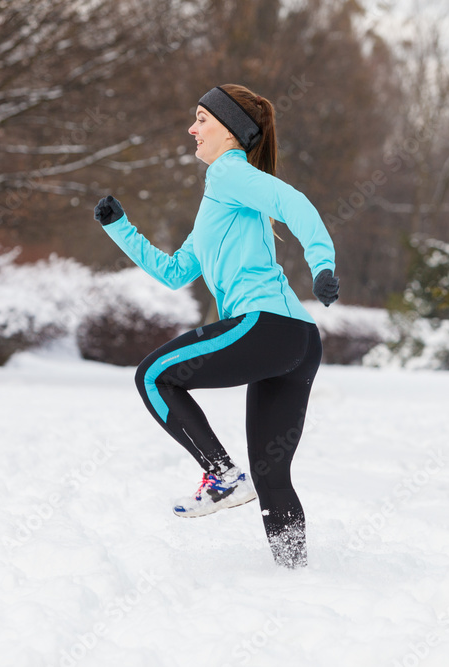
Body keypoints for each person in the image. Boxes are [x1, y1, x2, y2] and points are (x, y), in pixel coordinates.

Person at [93, 84, 339, 568]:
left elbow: (295, 203)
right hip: (297, 340)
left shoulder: (229, 172)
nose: (193, 129)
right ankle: (296, 574)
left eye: (202, 119)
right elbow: (177, 271)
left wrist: (322, 262)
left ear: (230, 131)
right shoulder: (219, 199)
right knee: (271, 476)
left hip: (265, 324)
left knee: (153, 376)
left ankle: (221, 475)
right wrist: (120, 228)